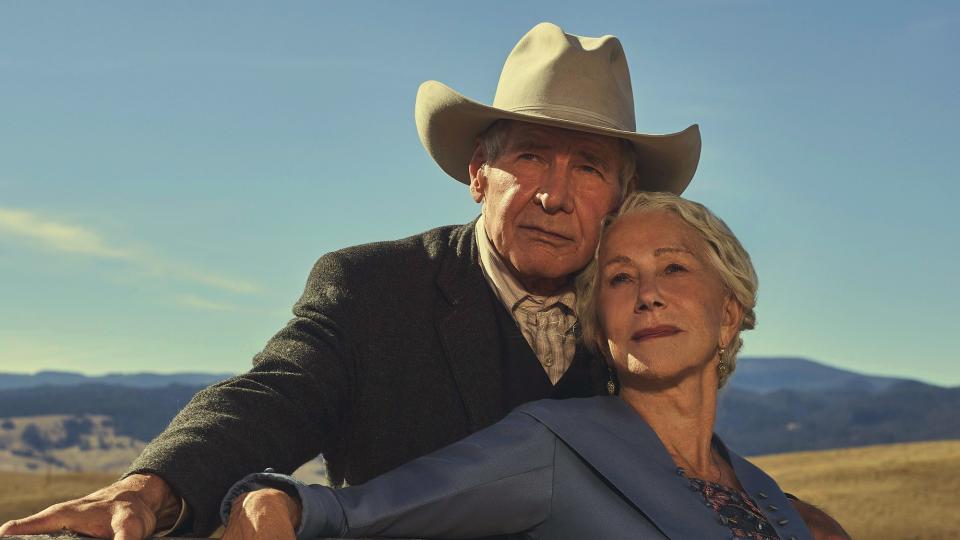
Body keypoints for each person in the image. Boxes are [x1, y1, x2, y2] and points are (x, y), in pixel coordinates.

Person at [0, 23, 846, 540]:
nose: (555, 191)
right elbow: (273, 395)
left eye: (587, 165)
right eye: (529, 157)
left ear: (619, 194)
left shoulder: (634, 327)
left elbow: (679, 471)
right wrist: (157, 485)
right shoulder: (374, 289)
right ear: (478, 172)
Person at [218, 192, 845, 539]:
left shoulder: (769, 497)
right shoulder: (554, 445)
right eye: (621, 278)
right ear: (600, 327)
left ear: (730, 312)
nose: (647, 293)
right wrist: (277, 504)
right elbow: (359, 513)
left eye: (674, 268)